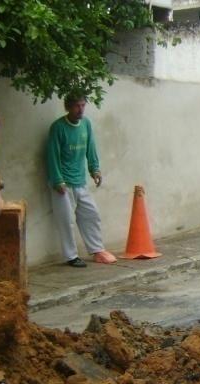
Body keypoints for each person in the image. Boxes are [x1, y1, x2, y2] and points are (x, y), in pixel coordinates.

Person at [46, 93, 117, 267]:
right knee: (66, 220)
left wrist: (95, 169)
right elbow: (51, 155)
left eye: (83, 105)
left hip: (80, 181)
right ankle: (71, 257)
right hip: (63, 183)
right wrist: (57, 180)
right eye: (77, 106)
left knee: (91, 214)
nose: (81, 109)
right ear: (68, 107)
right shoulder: (58, 127)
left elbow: (90, 147)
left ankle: (97, 250)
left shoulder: (86, 124)